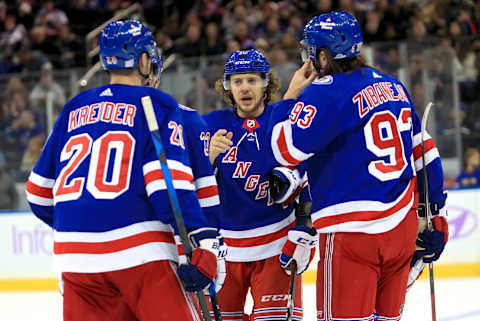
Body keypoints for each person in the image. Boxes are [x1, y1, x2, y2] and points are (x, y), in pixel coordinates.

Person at [25, 20, 223, 321]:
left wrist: (84, 222)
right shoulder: (156, 103)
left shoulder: (73, 108)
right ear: (144, 60)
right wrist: (203, 239)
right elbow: (166, 185)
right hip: (140, 255)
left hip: (75, 258)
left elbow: (38, 194)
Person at [269, 11, 449, 321]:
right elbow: (425, 151)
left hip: (352, 234)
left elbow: (283, 150)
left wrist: (290, 96)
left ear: (323, 56)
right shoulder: (394, 86)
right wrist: (435, 213)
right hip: (401, 229)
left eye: (311, 51)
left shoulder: (324, 92)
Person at [203, 49, 317, 321]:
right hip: (225, 251)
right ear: (228, 87)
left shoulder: (287, 118)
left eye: (252, 80)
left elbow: (310, 174)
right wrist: (208, 159)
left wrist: (305, 227)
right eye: (238, 81)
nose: (245, 87)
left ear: (266, 83)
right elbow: (190, 186)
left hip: (277, 244)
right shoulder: (210, 125)